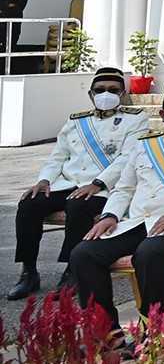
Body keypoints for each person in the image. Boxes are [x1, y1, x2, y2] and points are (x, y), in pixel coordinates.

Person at [65, 77, 164, 330]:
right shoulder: (146, 144)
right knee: (83, 254)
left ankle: (151, 329)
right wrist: (110, 215)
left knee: (149, 254)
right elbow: (125, 187)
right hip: (138, 223)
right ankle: (106, 332)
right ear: (163, 114)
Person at [10, 67, 148, 299]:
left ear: (123, 93)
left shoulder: (135, 119)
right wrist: (43, 180)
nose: (106, 94)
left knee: (79, 205)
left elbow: (128, 158)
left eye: (113, 90)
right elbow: (58, 156)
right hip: (67, 183)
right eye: (100, 90)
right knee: (29, 203)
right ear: (91, 94)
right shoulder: (76, 121)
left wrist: (97, 183)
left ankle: (72, 271)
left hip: (104, 188)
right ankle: (28, 272)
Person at [0, 0, 25, 74]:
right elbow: (12, 7)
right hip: (0, 26)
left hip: (14, 26)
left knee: (12, 48)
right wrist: (10, 6)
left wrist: (2, 8)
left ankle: (11, 71)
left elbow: (19, 8)